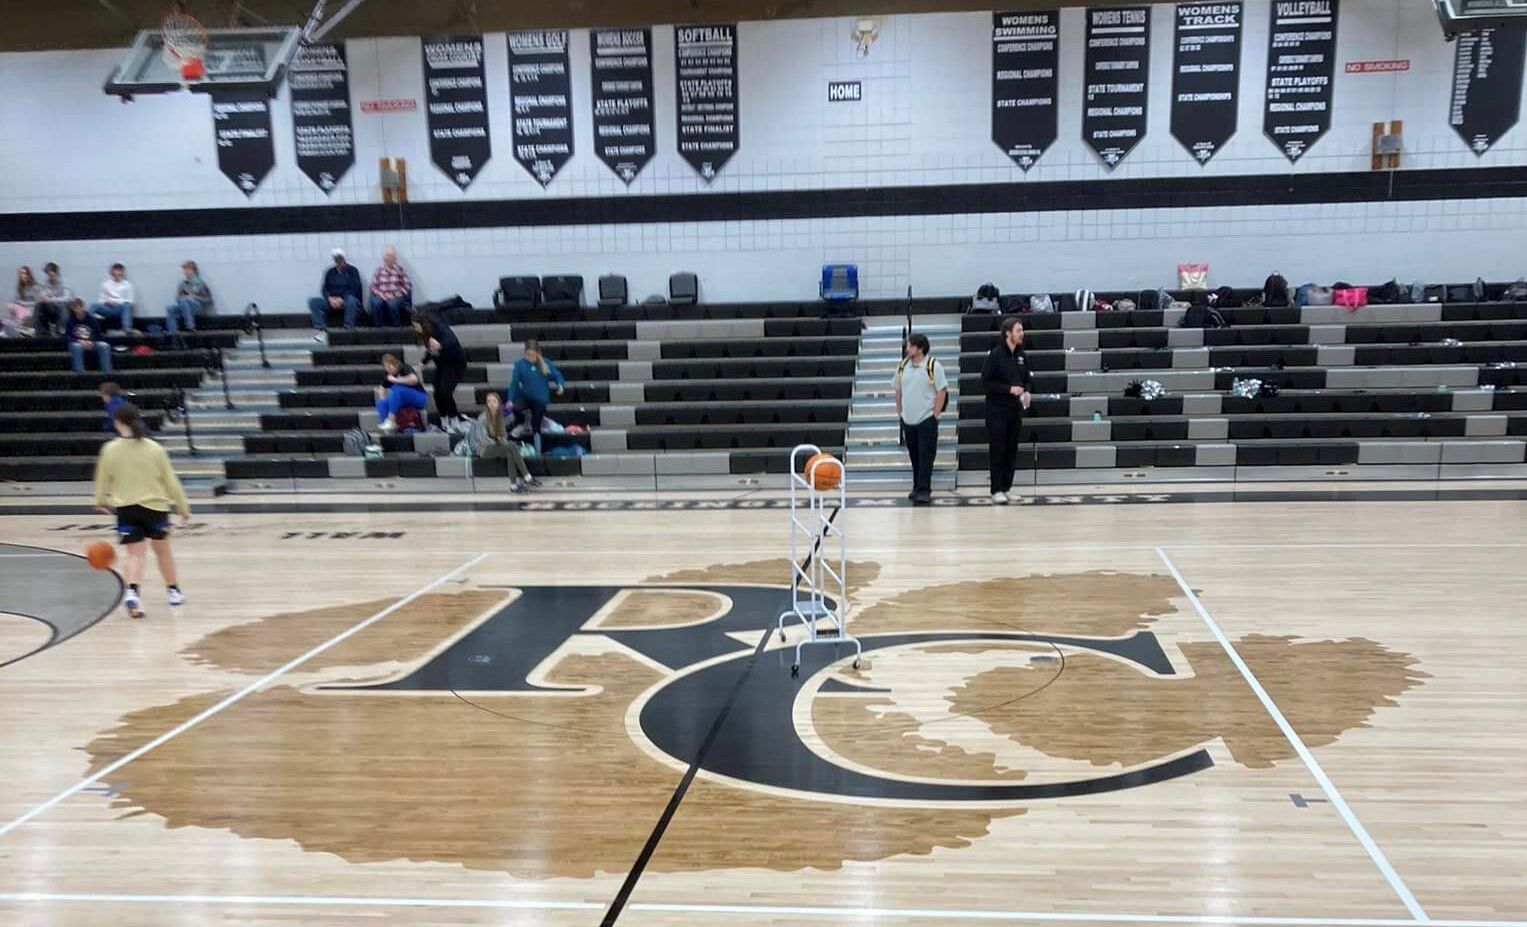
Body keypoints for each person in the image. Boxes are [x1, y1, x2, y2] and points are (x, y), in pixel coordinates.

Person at [92, 402, 190, 618]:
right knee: (162, 551)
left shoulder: (110, 449)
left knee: (135, 555)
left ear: (117, 423)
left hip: (126, 507)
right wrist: (182, 506)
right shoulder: (155, 448)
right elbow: (170, 480)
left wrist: (100, 500)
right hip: (154, 507)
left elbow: (102, 478)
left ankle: (132, 592)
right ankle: (173, 591)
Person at [981, 317, 1033, 505]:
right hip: (997, 409)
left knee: (1012, 449)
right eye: (1018, 330)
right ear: (1008, 334)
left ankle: (1007, 487)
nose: (1022, 334)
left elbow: (1027, 378)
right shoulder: (995, 355)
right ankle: (996, 490)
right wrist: (1008, 389)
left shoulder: (1021, 355)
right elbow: (986, 382)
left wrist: (1027, 391)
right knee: (998, 449)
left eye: (1022, 330)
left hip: (1015, 410)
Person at [892, 332, 947, 506]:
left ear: (920, 348)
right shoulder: (903, 366)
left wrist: (936, 413)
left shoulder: (933, 365)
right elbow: (898, 388)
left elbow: (942, 390)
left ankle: (924, 489)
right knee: (914, 456)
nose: (907, 348)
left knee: (926, 456)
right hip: (908, 419)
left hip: (926, 418)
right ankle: (917, 486)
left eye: (910, 345)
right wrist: (899, 410)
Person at [468, 392, 536, 493]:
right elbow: (483, 440)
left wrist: (501, 441)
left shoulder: (499, 417)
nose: (491, 403)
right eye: (489, 401)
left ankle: (513, 486)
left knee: (511, 451)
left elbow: (503, 436)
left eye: (494, 401)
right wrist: (498, 441)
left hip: (496, 446)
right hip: (483, 449)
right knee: (512, 446)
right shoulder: (483, 418)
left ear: (499, 403)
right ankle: (527, 476)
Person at [413, 310, 468, 431]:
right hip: (442, 364)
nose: (415, 329)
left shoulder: (440, 328)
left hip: (455, 363)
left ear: (423, 324)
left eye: (416, 326)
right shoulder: (427, 335)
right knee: (437, 391)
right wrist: (423, 362)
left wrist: (441, 345)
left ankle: (454, 419)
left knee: (445, 391)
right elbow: (431, 351)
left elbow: (453, 341)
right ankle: (444, 420)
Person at [507, 339, 565, 452]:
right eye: (528, 355)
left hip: (540, 400)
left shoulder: (545, 363)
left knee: (536, 425)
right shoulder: (520, 365)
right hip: (526, 397)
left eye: (533, 355)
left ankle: (538, 450)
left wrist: (560, 385)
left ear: (538, 353)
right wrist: (510, 399)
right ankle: (522, 422)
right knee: (515, 408)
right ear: (525, 354)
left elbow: (557, 376)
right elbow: (514, 384)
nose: (530, 357)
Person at [308, 248, 363, 341]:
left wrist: (341, 299)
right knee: (313, 302)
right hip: (332, 301)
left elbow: (355, 288)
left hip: (347, 300)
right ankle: (321, 329)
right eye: (336, 259)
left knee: (351, 299)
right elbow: (324, 288)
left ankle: (348, 328)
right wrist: (330, 299)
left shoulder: (353, 271)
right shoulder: (329, 272)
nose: (338, 261)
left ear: (344, 259)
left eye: (340, 258)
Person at [374, 352, 429, 434]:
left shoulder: (404, 367)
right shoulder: (389, 375)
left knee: (398, 390)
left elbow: (414, 379)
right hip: (403, 401)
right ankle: (387, 430)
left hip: (419, 397)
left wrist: (396, 380)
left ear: (395, 363)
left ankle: (390, 420)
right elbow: (382, 387)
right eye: (387, 368)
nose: (390, 369)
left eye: (390, 366)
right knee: (382, 402)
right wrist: (383, 399)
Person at [62, 299, 112, 374]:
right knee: (77, 347)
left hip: (91, 342)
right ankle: (80, 372)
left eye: (79, 307)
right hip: (77, 343)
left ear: (83, 307)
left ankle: (106, 373)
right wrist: (78, 341)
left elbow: (98, 335)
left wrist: (91, 341)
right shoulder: (69, 321)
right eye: (74, 307)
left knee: (104, 346)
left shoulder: (92, 320)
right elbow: (65, 337)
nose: (77, 309)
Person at [165, 260, 214, 335]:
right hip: (184, 306)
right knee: (170, 307)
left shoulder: (200, 283)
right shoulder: (182, 283)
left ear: (192, 270)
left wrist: (193, 297)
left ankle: (190, 325)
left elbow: (208, 300)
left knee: (184, 299)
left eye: (186, 269)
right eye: (184, 270)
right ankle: (172, 331)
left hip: (198, 307)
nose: (184, 272)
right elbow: (177, 298)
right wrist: (183, 297)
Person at [368, 246, 412, 328]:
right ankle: (377, 327)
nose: (388, 258)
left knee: (392, 303)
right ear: (383, 257)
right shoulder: (378, 270)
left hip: (396, 295)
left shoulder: (400, 270)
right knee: (376, 303)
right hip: (381, 295)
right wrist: (380, 294)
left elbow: (407, 285)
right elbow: (373, 286)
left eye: (390, 256)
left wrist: (396, 294)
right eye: (387, 256)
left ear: (395, 258)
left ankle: (397, 327)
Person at [91, 263, 136, 334]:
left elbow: (130, 301)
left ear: (122, 272)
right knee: (93, 306)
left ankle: (126, 329)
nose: (117, 273)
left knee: (127, 306)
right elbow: (100, 300)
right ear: (112, 272)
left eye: (119, 271)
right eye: (116, 270)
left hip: (120, 308)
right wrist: (106, 302)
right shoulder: (105, 284)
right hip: (107, 307)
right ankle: (90, 327)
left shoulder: (127, 285)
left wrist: (116, 302)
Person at [37, 263, 75, 337]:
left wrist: (51, 299)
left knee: (63, 305)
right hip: (53, 307)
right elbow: (43, 295)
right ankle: (43, 330)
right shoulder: (46, 283)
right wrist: (44, 298)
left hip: (66, 306)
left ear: (56, 272)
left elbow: (66, 298)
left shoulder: (64, 282)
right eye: (47, 274)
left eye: (51, 274)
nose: (49, 277)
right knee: (40, 305)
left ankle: (60, 329)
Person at [4, 265, 41, 338]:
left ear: (29, 274)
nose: (23, 275)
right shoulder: (21, 288)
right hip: (21, 310)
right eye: (21, 273)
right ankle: (16, 329)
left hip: (32, 310)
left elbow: (37, 302)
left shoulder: (35, 287)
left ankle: (21, 329)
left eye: (25, 273)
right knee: (12, 307)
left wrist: (23, 303)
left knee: (17, 308)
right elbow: (16, 300)